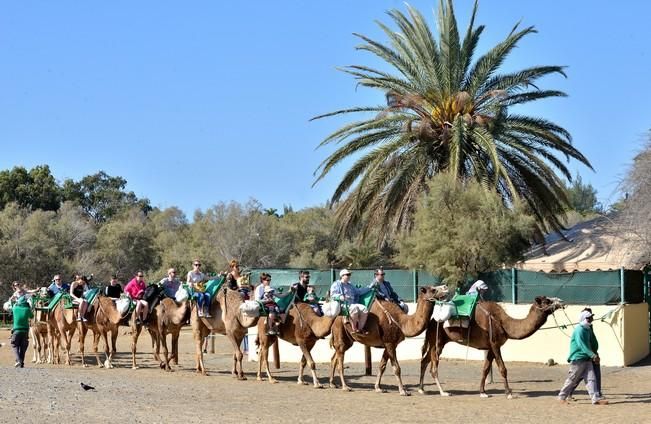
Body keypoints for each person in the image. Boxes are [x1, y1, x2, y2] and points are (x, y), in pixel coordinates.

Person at [557, 310, 608, 405]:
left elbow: (592, 343)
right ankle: (562, 397)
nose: (591, 319)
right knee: (572, 378)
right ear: (584, 319)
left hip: (587, 358)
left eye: (591, 317)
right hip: (578, 358)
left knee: (591, 379)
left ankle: (595, 399)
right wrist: (593, 355)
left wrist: (594, 354)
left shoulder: (587, 329)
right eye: (589, 318)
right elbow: (582, 345)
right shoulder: (579, 330)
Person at [330, 269, 372, 334]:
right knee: (354, 308)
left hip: (352, 304)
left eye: (350, 274)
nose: (349, 276)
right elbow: (333, 295)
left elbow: (359, 291)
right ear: (342, 276)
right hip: (342, 304)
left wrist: (369, 287)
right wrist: (341, 297)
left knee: (364, 309)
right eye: (348, 274)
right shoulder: (336, 284)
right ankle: (354, 329)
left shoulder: (350, 285)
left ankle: (360, 329)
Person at [11, 297, 33, 368]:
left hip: (16, 330)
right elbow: (32, 316)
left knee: (15, 345)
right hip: (25, 331)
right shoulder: (27, 309)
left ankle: (18, 360)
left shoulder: (15, 308)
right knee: (23, 348)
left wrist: (13, 301)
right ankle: (21, 363)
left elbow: (12, 305)